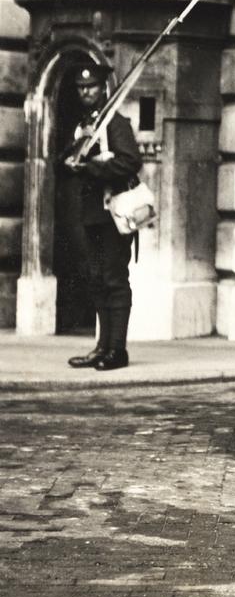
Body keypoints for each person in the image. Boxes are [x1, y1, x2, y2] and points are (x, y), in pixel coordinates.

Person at [61, 63, 141, 371]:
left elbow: (130, 161)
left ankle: (117, 350)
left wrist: (91, 167)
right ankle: (102, 347)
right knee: (97, 280)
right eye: (81, 88)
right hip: (92, 214)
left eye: (91, 86)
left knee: (114, 279)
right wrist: (70, 160)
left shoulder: (114, 122)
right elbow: (64, 160)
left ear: (103, 88)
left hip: (114, 213)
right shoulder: (83, 127)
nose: (85, 92)